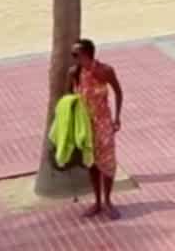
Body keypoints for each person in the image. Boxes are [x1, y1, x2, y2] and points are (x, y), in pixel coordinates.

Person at [71, 39, 124, 219]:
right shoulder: (75, 73)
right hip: (86, 126)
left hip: (103, 123)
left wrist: (117, 118)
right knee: (91, 162)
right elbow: (69, 101)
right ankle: (98, 202)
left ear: (87, 54)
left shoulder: (106, 71)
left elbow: (118, 92)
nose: (74, 58)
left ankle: (108, 201)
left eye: (76, 55)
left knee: (107, 162)